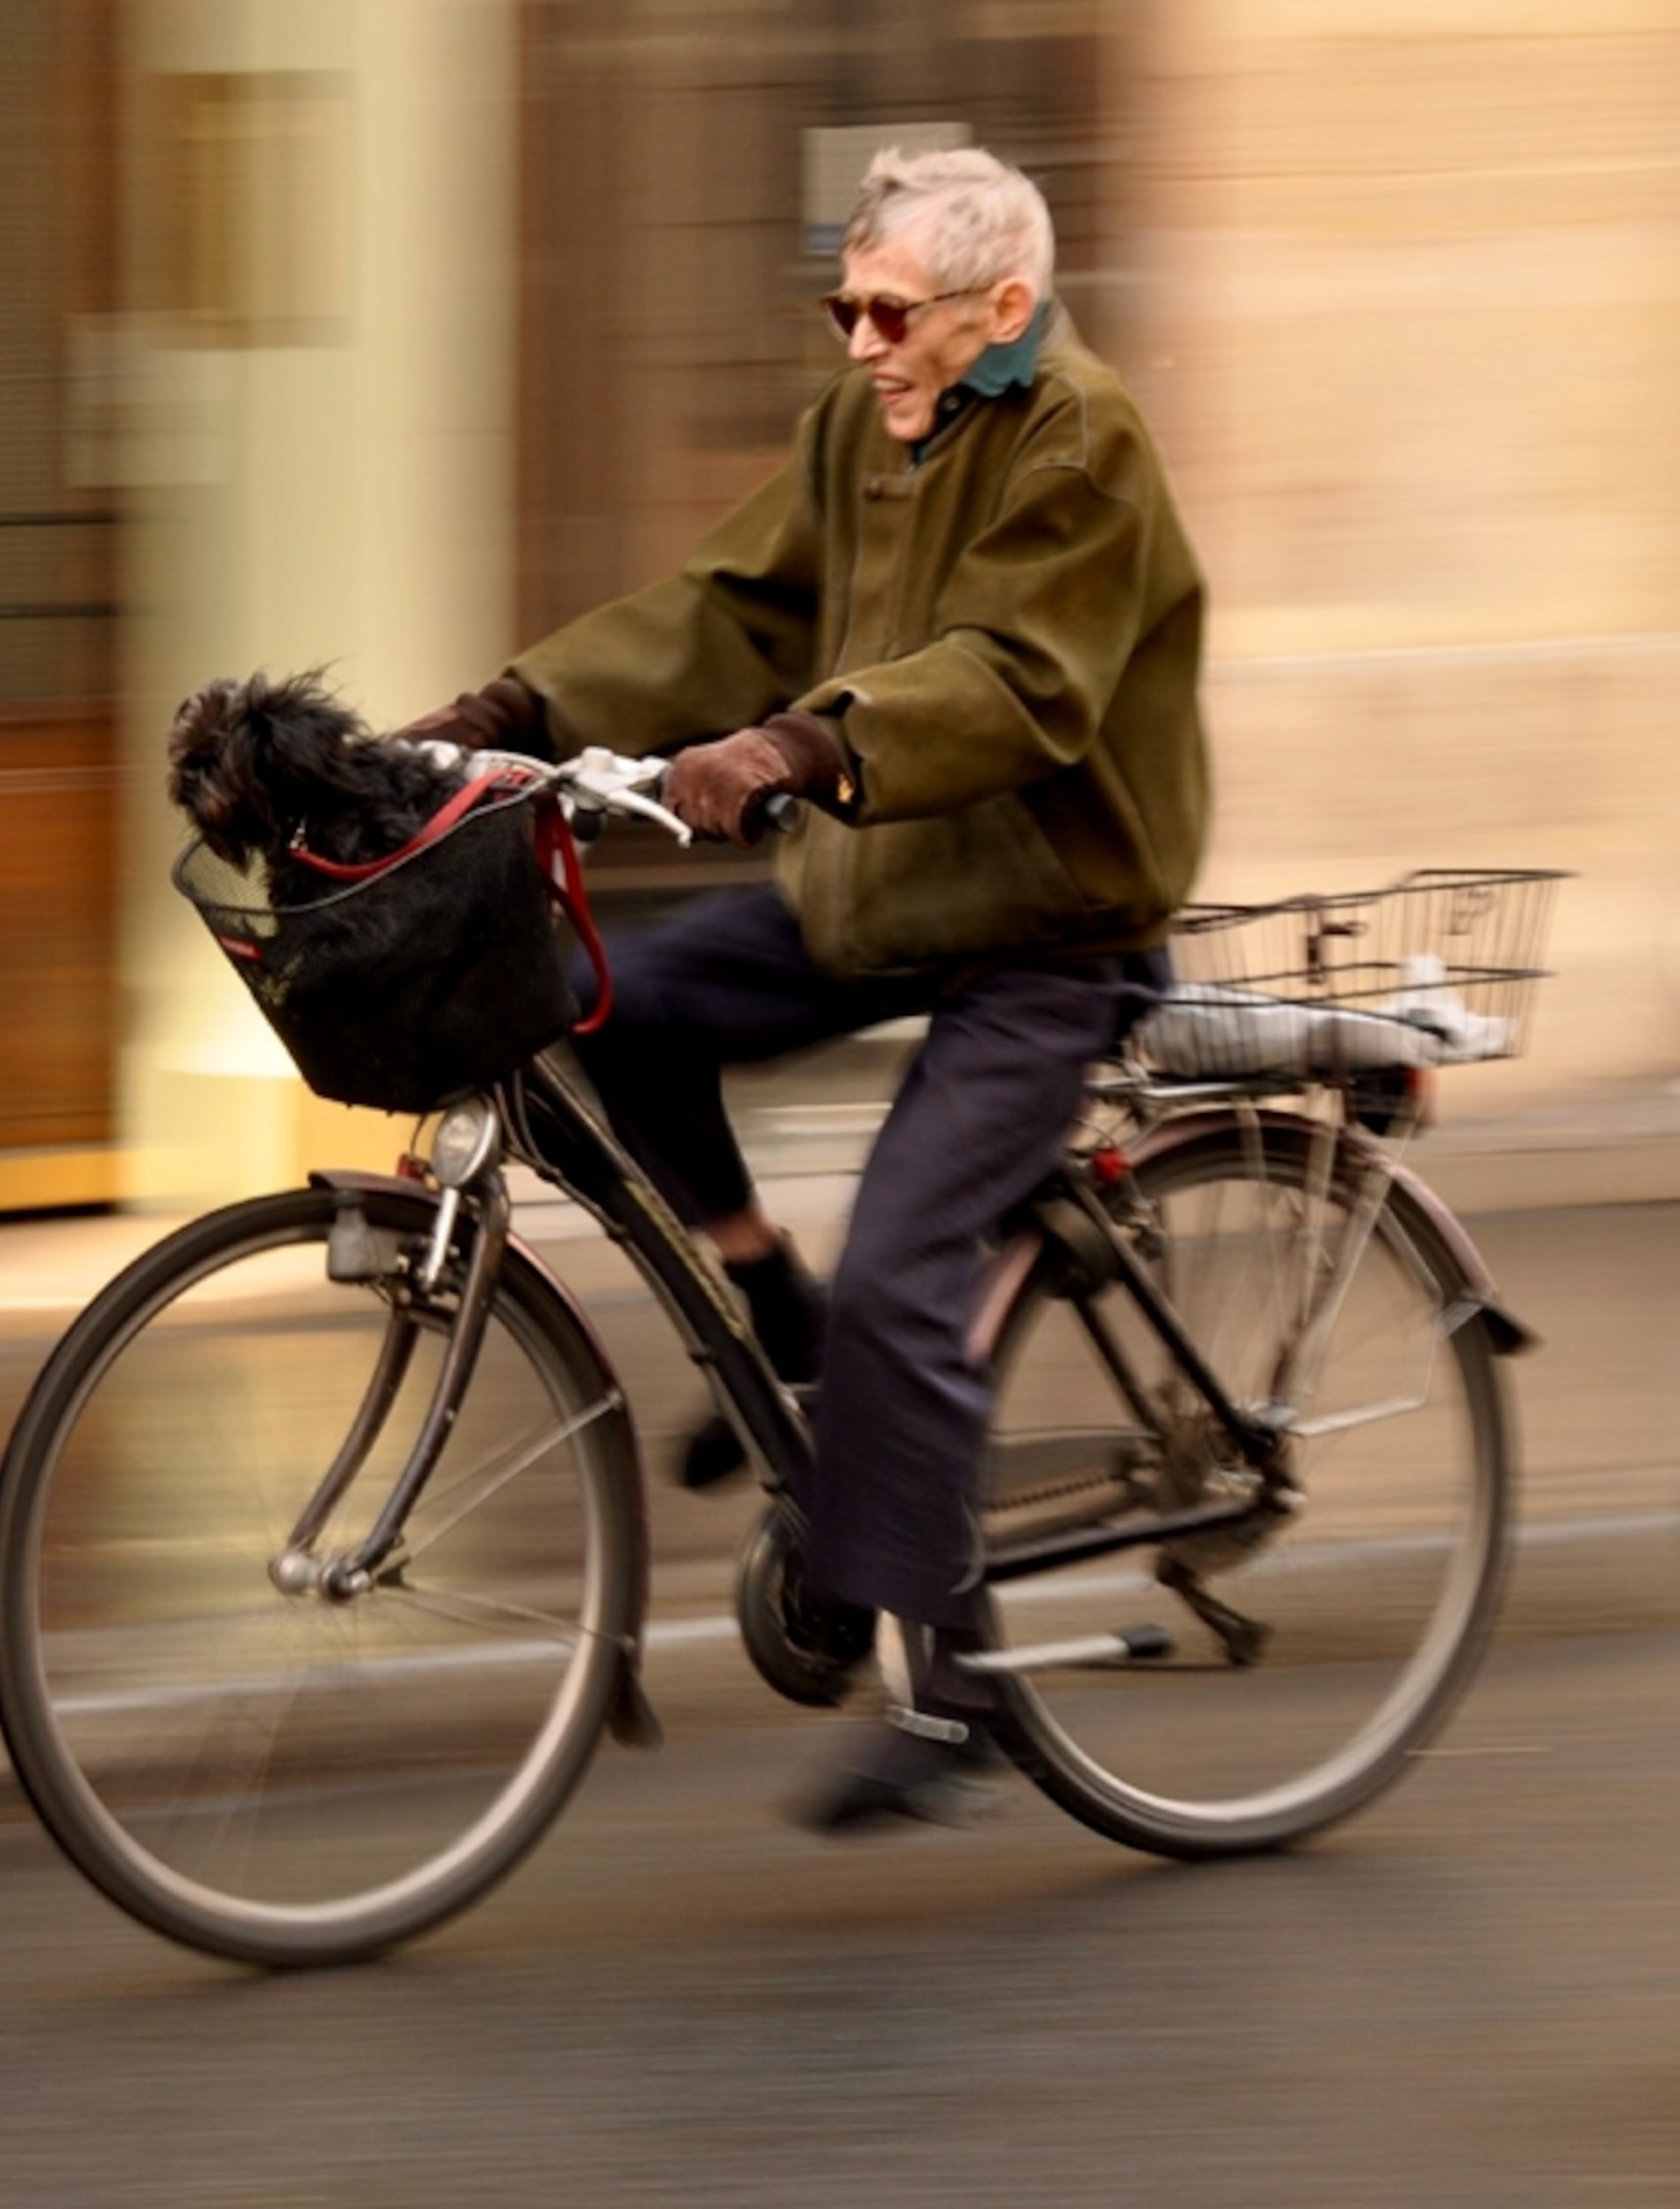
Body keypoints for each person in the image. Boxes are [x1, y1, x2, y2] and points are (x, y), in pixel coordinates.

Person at [408, 145, 1207, 1831]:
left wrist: (803, 745)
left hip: (1050, 923)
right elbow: (728, 605)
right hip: (891, 882)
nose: (858, 340)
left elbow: (1018, 678)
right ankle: (779, 1315)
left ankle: (961, 1699)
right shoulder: (863, 426)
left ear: (1002, 308)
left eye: (891, 311)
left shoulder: (1082, 434)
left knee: (914, 1264)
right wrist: (508, 710)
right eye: (844, 306)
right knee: (606, 996)